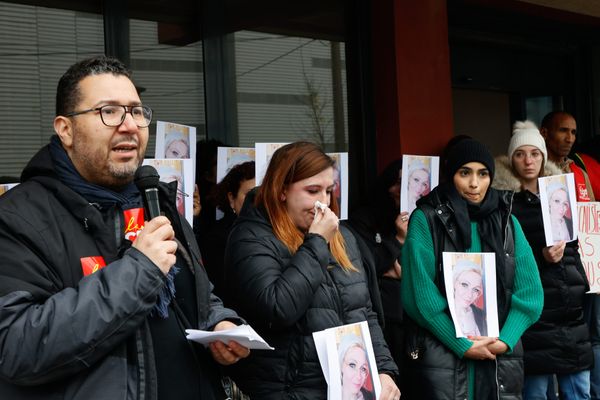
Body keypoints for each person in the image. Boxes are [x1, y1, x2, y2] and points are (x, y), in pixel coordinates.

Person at [0, 56, 250, 399]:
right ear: (65, 129)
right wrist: (138, 272)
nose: (130, 125)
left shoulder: (155, 199)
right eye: (109, 111)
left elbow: (198, 296)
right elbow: (17, 348)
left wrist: (220, 325)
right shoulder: (19, 217)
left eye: (135, 111)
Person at [224, 141, 400, 399]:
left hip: (346, 388)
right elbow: (277, 308)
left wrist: (383, 369)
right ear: (282, 190)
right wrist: (316, 242)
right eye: (312, 191)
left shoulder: (343, 237)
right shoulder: (251, 237)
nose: (323, 203)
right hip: (288, 389)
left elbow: (364, 312)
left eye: (329, 191)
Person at [401, 138, 544, 399]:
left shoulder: (507, 222)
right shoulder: (426, 219)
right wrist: (461, 345)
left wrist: (505, 341)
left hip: (499, 358)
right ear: (450, 174)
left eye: (483, 174)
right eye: (465, 173)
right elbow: (419, 296)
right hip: (443, 357)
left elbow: (530, 293)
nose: (474, 184)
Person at [493, 120, 592, 399]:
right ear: (511, 158)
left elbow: (574, 250)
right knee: (535, 392)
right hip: (532, 311)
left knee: (579, 392)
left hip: (569, 309)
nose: (528, 161)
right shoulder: (503, 201)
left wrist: (582, 285)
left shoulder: (559, 192)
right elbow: (503, 257)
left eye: (535, 154)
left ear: (544, 157)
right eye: (521, 154)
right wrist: (540, 257)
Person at [347, 159, 407, 384]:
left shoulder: (424, 217)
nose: (398, 190)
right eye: (396, 182)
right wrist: (399, 239)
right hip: (383, 318)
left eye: (405, 183)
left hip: (413, 320)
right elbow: (370, 266)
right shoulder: (365, 218)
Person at [201, 161, 255, 299]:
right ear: (231, 198)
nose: (258, 201)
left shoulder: (277, 232)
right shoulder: (216, 238)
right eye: (250, 194)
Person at [452, 260, 486, 337]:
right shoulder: (442, 312)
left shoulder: (479, 314)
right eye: (465, 285)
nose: (469, 295)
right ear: (454, 283)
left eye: (475, 289)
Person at [338, 334, 375, 400]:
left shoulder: (370, 397)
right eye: (352, 365)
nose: (359, 377)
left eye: (363, 369)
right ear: (341, 366)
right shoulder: (328, 394)